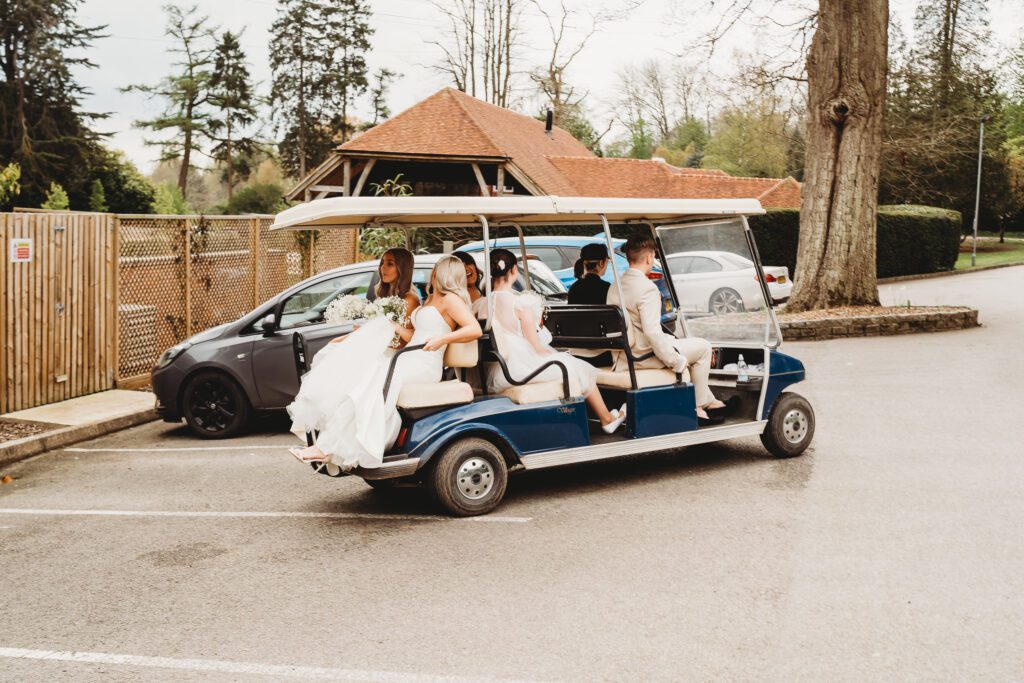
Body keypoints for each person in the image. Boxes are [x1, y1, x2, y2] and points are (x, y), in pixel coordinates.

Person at [288, 255, 482, 468]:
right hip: (410, 356)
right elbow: (414, 336)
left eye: (436, 269)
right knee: (363, 375)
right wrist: (392, 326)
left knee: (374, 376)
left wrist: (443, 339)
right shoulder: (430, 300)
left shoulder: (450, 300)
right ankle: (328, 445)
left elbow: (474, 329)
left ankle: (327, 447)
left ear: (442, 273)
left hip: (424, 364)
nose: (432, 274)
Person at [487, 249, 626, 434]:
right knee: (578, 367)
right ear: (514, 270)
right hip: (519, 366)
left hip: (497, 368)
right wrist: (556, 353)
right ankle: (606, 418)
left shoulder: (481, 304)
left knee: (571, 362)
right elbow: (535, 345)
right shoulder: (519, 303)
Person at [606, 234, 725, 420]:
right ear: (648, 258)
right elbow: (652, 333)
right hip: (643, 357)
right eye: (653, 256)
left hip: (622, 357)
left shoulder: (614, 286)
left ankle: (708, 399)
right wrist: (675, 361)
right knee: (703, 347)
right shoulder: (647, 288)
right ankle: (699, 404)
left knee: (681, 345)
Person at [327, 248, 419, 346]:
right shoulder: (388, 295)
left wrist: (367, 335)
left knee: (334, 347)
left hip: (390, 354)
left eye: (390, 264)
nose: (382, 268)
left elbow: (402, 343)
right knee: (333, 343)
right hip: (377, 344)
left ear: (403, 268)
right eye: (382, 263)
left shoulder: (410, 300)